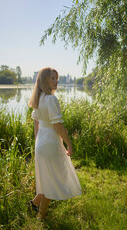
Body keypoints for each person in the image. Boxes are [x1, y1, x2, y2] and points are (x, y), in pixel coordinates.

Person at [28, 67, 82, 219]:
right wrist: (69, 143)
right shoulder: (51, 99)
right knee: (51, 181)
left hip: (41, 142)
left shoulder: (38, 98)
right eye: (52, 78)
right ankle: (41, 217)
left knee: (47, 178)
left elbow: (36, 124)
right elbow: (58, 125)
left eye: (56, 78)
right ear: (44, 80)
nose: (56, 81)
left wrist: (38, 141)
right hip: (50, 141)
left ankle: (33, 204)